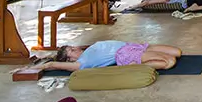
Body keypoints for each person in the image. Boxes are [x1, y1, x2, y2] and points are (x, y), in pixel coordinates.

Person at [38, 40, 183, 71]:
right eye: (72, 51)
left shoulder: (88, 50)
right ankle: (135, 66)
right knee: (170, 62)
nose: (76, 48)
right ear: (70, 59)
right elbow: (52, 64)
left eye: (72, 47)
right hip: (125, 54)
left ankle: (138, 62)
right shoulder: (82, 63)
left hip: (131, 45)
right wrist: (44, 66)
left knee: (177, 52)